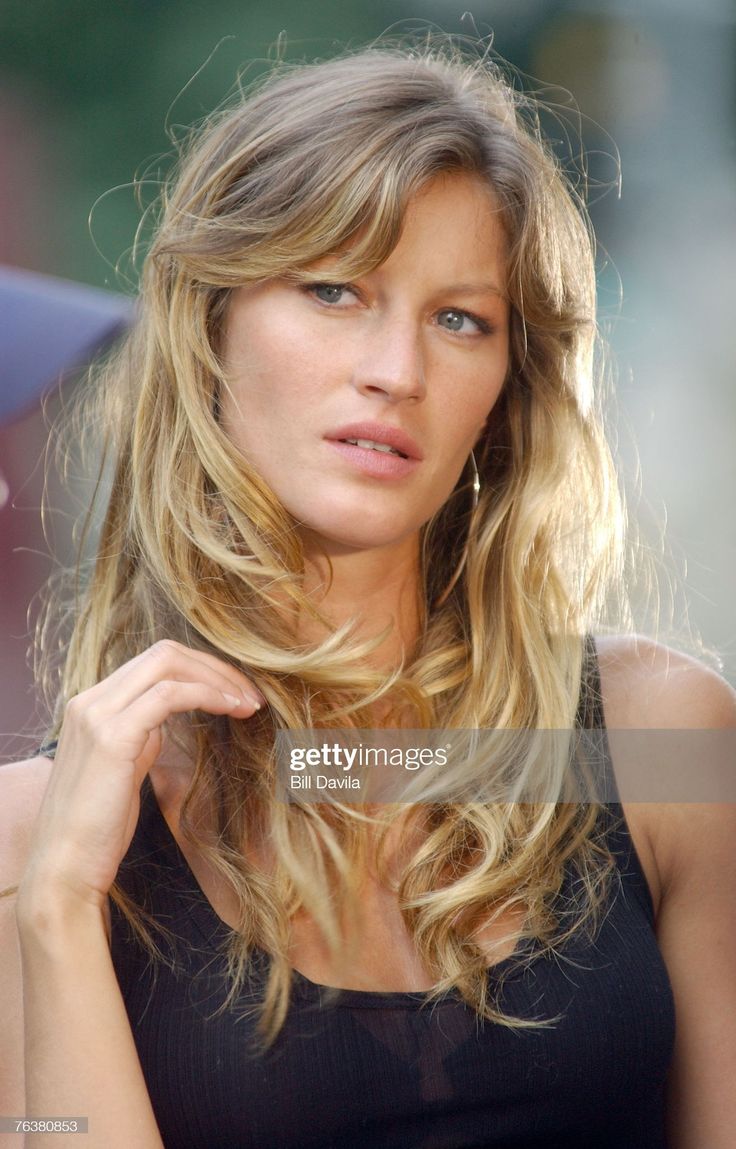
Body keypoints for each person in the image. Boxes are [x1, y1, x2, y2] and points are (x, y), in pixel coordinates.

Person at [1, 41, 735, 1149]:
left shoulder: (662, 745)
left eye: (459, 319)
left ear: (505, 390)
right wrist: (55, 911)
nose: (396, 369)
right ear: (211, 329)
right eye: (334, 289)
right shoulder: (34, 838)